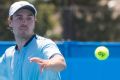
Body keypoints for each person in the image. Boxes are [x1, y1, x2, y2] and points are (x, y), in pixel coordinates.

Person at [0, 1, 66, 80]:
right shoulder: (8, 55)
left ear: (34, 21)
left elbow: (61, 62)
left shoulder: (44, 45)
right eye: (19, 17)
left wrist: (48, 63)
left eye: (29, 18)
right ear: (10, 22)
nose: (24, 21)